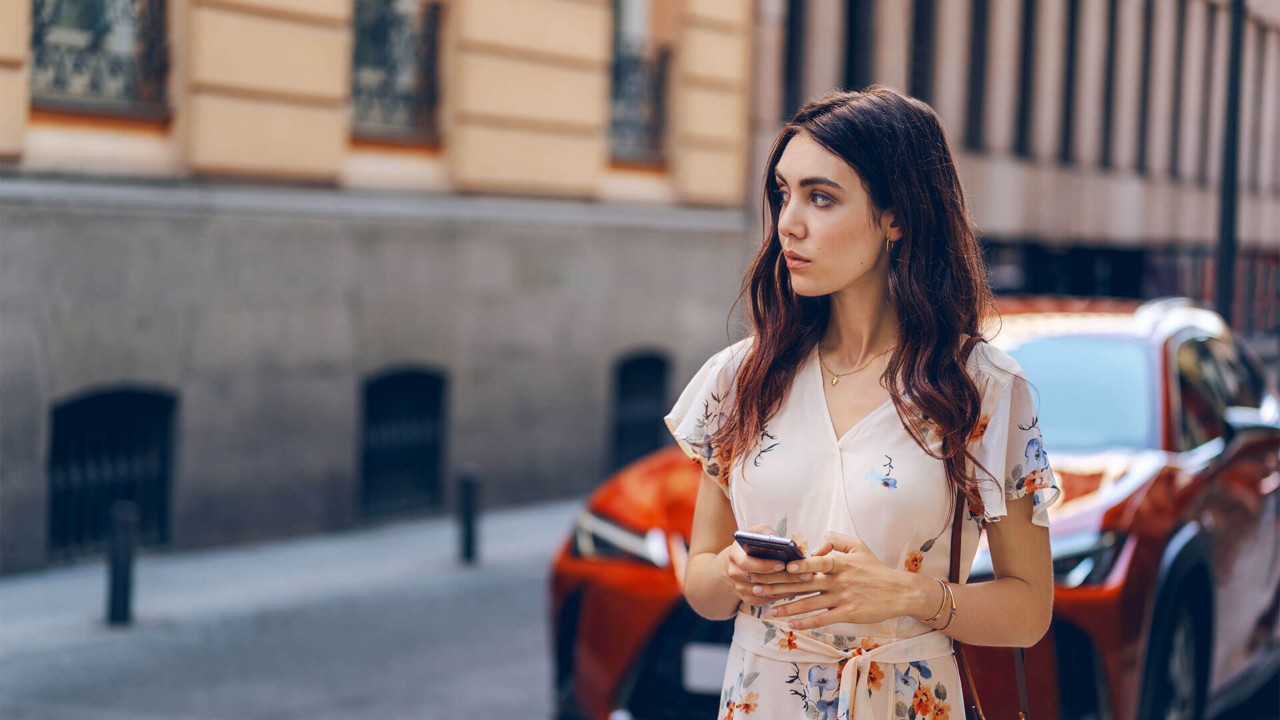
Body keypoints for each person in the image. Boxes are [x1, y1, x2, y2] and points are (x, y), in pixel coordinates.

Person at [664, 86, 1061, 720]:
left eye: (821, 197)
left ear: (895, 216)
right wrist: (739, 571)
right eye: (782, 194)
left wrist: (905, 594)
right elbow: (702, 589)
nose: (789, 222)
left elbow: (1028, 612)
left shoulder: (981, 387)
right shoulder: (741, 376)